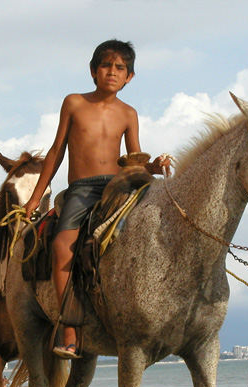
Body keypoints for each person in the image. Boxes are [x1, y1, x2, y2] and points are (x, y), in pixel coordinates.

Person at [23, 39, 170, 359]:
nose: (112, 72)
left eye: (120, 68)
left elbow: (134, 160)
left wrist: (153, 167)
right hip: (82, 188)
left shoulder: (128, 113)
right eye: (106, 66)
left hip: (119, 185)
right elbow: (56, 150)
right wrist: (36, 197)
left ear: (130, 77)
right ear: (93, 71)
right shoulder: (74, 103)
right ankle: (70, 328)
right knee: (63, 245)